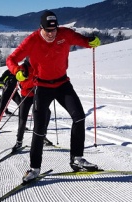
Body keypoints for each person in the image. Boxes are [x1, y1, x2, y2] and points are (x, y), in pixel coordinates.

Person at [6, 10, 101, 182]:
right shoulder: (32, 40)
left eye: (54, 30)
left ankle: (77, 159)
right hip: (41, 86)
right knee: (39, 128)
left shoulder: (65, 34)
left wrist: (92, 42)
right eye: (47, 31)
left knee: (79, 117)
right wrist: (17, 71)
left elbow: (83, 41)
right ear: (40, 28)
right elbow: (11, 59)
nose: (51, 34)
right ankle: (34, 168)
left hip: (63, 84)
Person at [11, 58, 52, 153]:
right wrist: (34, 82)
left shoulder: (38, 67)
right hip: (26, 96)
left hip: (36, 95)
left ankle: (42, 136)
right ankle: (19, 141)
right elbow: (22, 85)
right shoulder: (23, 68)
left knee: (47, 113)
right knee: (22, 119)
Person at [0, 68, 22, 135]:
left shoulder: (18, 72)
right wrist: (4, 85)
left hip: (14, 92)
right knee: (2, 110)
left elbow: (21, 81)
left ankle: (21, 126)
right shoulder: (7, 72)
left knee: (21, 105)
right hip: (6, 92)